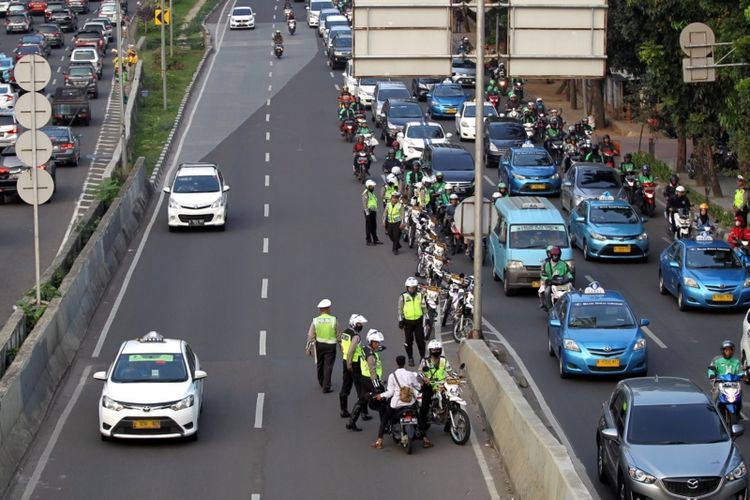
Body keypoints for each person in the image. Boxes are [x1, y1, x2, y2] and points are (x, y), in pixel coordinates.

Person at [371, 355, 422, 449]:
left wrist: (380, 395)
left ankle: (379, 440)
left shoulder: (392, 376)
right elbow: (418, 386)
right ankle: (426, 439)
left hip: (396, 404)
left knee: (385, 418)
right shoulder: (410, 374)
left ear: (396, 363)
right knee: (419, 417)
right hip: (410, 402)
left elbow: (390, 392)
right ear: (404, 363)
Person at [346, 329, 386, 431]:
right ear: (371, 342)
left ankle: (351, 422)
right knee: (383, 402)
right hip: (372, 380)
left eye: (378, 342)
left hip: (363, 379)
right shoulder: (371, 356)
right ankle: (384, 425)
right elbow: (373, 371)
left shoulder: (365, 349)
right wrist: (377, 387)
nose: (378, 344)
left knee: (362, 400)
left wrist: (379, 348)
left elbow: (370, 350)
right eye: (376, 342)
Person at [305, 299, 340, 393]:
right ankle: (326, 386)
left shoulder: (315, 320)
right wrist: (341, 345)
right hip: (331, 346)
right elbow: (338, 335)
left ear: (320, 310)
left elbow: (310, 335)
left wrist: (308, 348)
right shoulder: (334, 320)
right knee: (328, 366)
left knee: (320, 364)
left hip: (319, 345)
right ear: (328, 309)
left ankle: (321, 382)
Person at [339, 314, 371, 420]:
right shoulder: (356, 336)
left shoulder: (345, 333)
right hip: (354, 363)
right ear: (354, 323)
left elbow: (342, 346)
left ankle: (343, 410)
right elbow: (351, 351)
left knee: (346, 385)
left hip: (345, 361)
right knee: (361, 388)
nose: (361, 326)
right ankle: (363, 413)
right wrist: (350, 364)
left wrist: (346, 362)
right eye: (359, 324)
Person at [398, 277, 427, 366]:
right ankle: (410, 357)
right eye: (410, 288)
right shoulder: (403, 296)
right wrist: (400, 320)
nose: (412, 289)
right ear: (407, 288)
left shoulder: (420, 295)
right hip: (408, 323)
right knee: (408, 341)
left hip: (418, 321)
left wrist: (427, 318)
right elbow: (400, 309)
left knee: (420, 341)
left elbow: (424, 307)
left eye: (414, 287)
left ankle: (422, 358)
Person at [362, 180, 382, 246]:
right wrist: (367, 213)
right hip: (369, 212)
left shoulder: (371, 193)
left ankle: (375, 240)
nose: (373, 187)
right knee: (369, 227)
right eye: (372, 186)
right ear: (368, 186)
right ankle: (368, 240)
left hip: (373, 211)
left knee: (374, 226)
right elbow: (365, 204)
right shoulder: (366, 193)